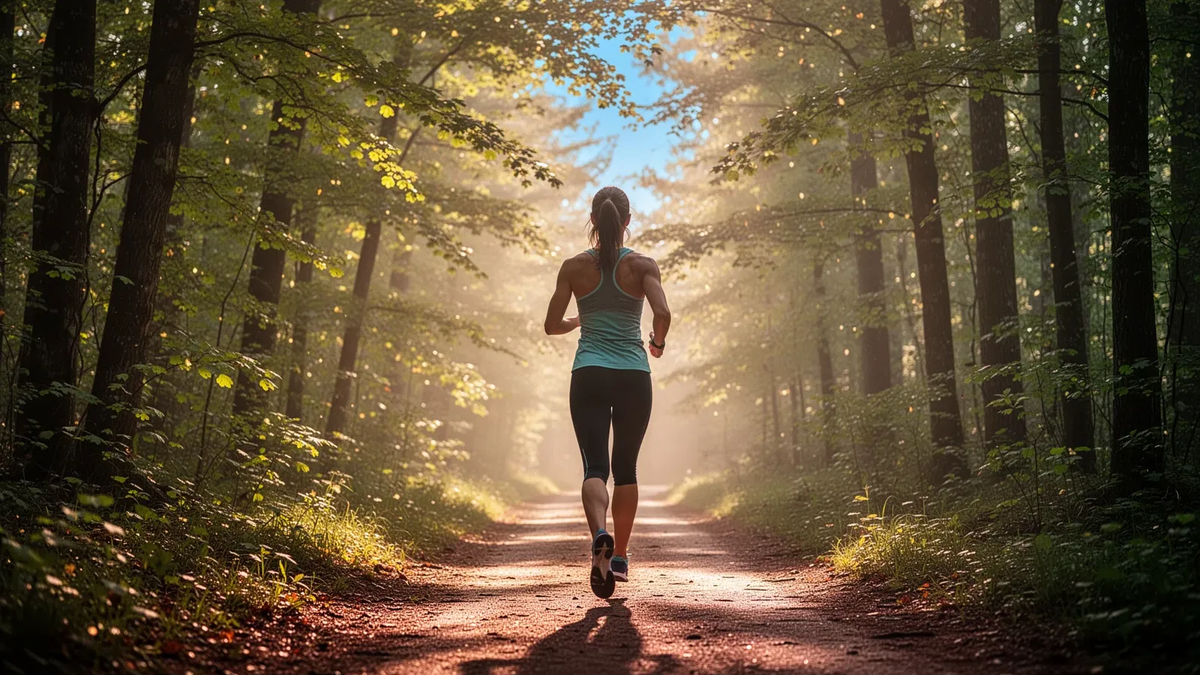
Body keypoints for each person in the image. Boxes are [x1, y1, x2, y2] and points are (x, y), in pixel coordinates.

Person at [543, 186, 671, 599]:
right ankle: (620, 557)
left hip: (589, 374)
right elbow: (663, 313)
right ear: (627, 221)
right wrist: (657, 344)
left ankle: (600, 534)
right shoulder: (642, 265)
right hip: (634, 375)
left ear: (593, 220)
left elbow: (551, 324)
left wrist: (582, 320)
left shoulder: (574, 268)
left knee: (594, 467)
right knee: (627, 468)